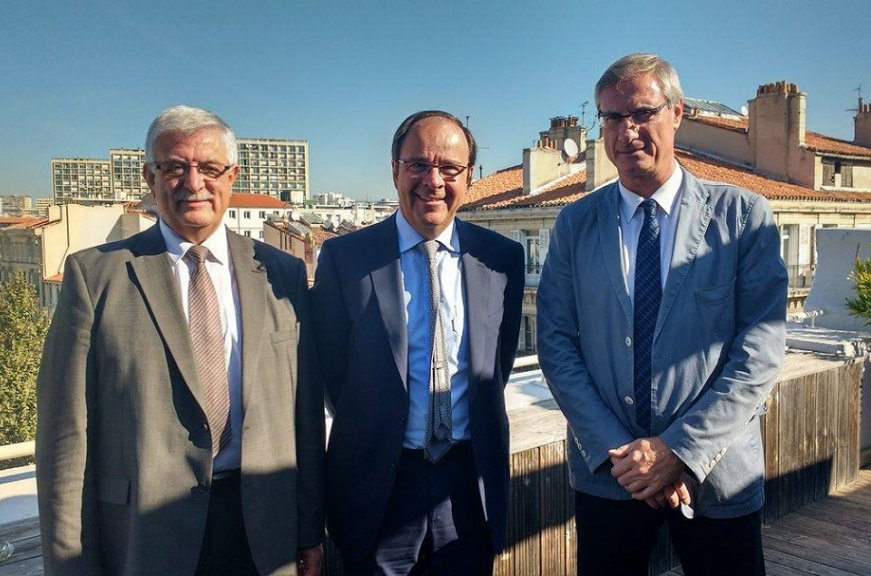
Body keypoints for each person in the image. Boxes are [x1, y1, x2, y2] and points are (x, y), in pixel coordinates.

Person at [35, 105, 324, 576]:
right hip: (144, 537)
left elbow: (304, 413)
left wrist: (310, 528)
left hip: (264, 533)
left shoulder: (282, 273)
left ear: (232, 176)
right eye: (175, 167)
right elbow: (64, 440)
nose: (194, 183)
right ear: (150, 178)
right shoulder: (95, 277)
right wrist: (70, 565)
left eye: (210, 168)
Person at [537, 54, 787, 575]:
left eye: (641, 113)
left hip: (717, 476)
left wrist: (679, 451)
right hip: (611, 475)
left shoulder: (742, 217)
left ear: (677, 113)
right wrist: (619, 454)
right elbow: (557, 345)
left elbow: (759, 352)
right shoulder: (576, 225)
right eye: (610, 118)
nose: (626, 132)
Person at [311, 110, 524, 575]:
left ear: (469, 177)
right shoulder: (346, 258)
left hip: (469, 486)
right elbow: (331, 373)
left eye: (450, 168)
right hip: (378, 489)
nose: (434, 181)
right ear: (394, 171)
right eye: (418, 165)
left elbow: (497, 366)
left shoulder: (502, 258)